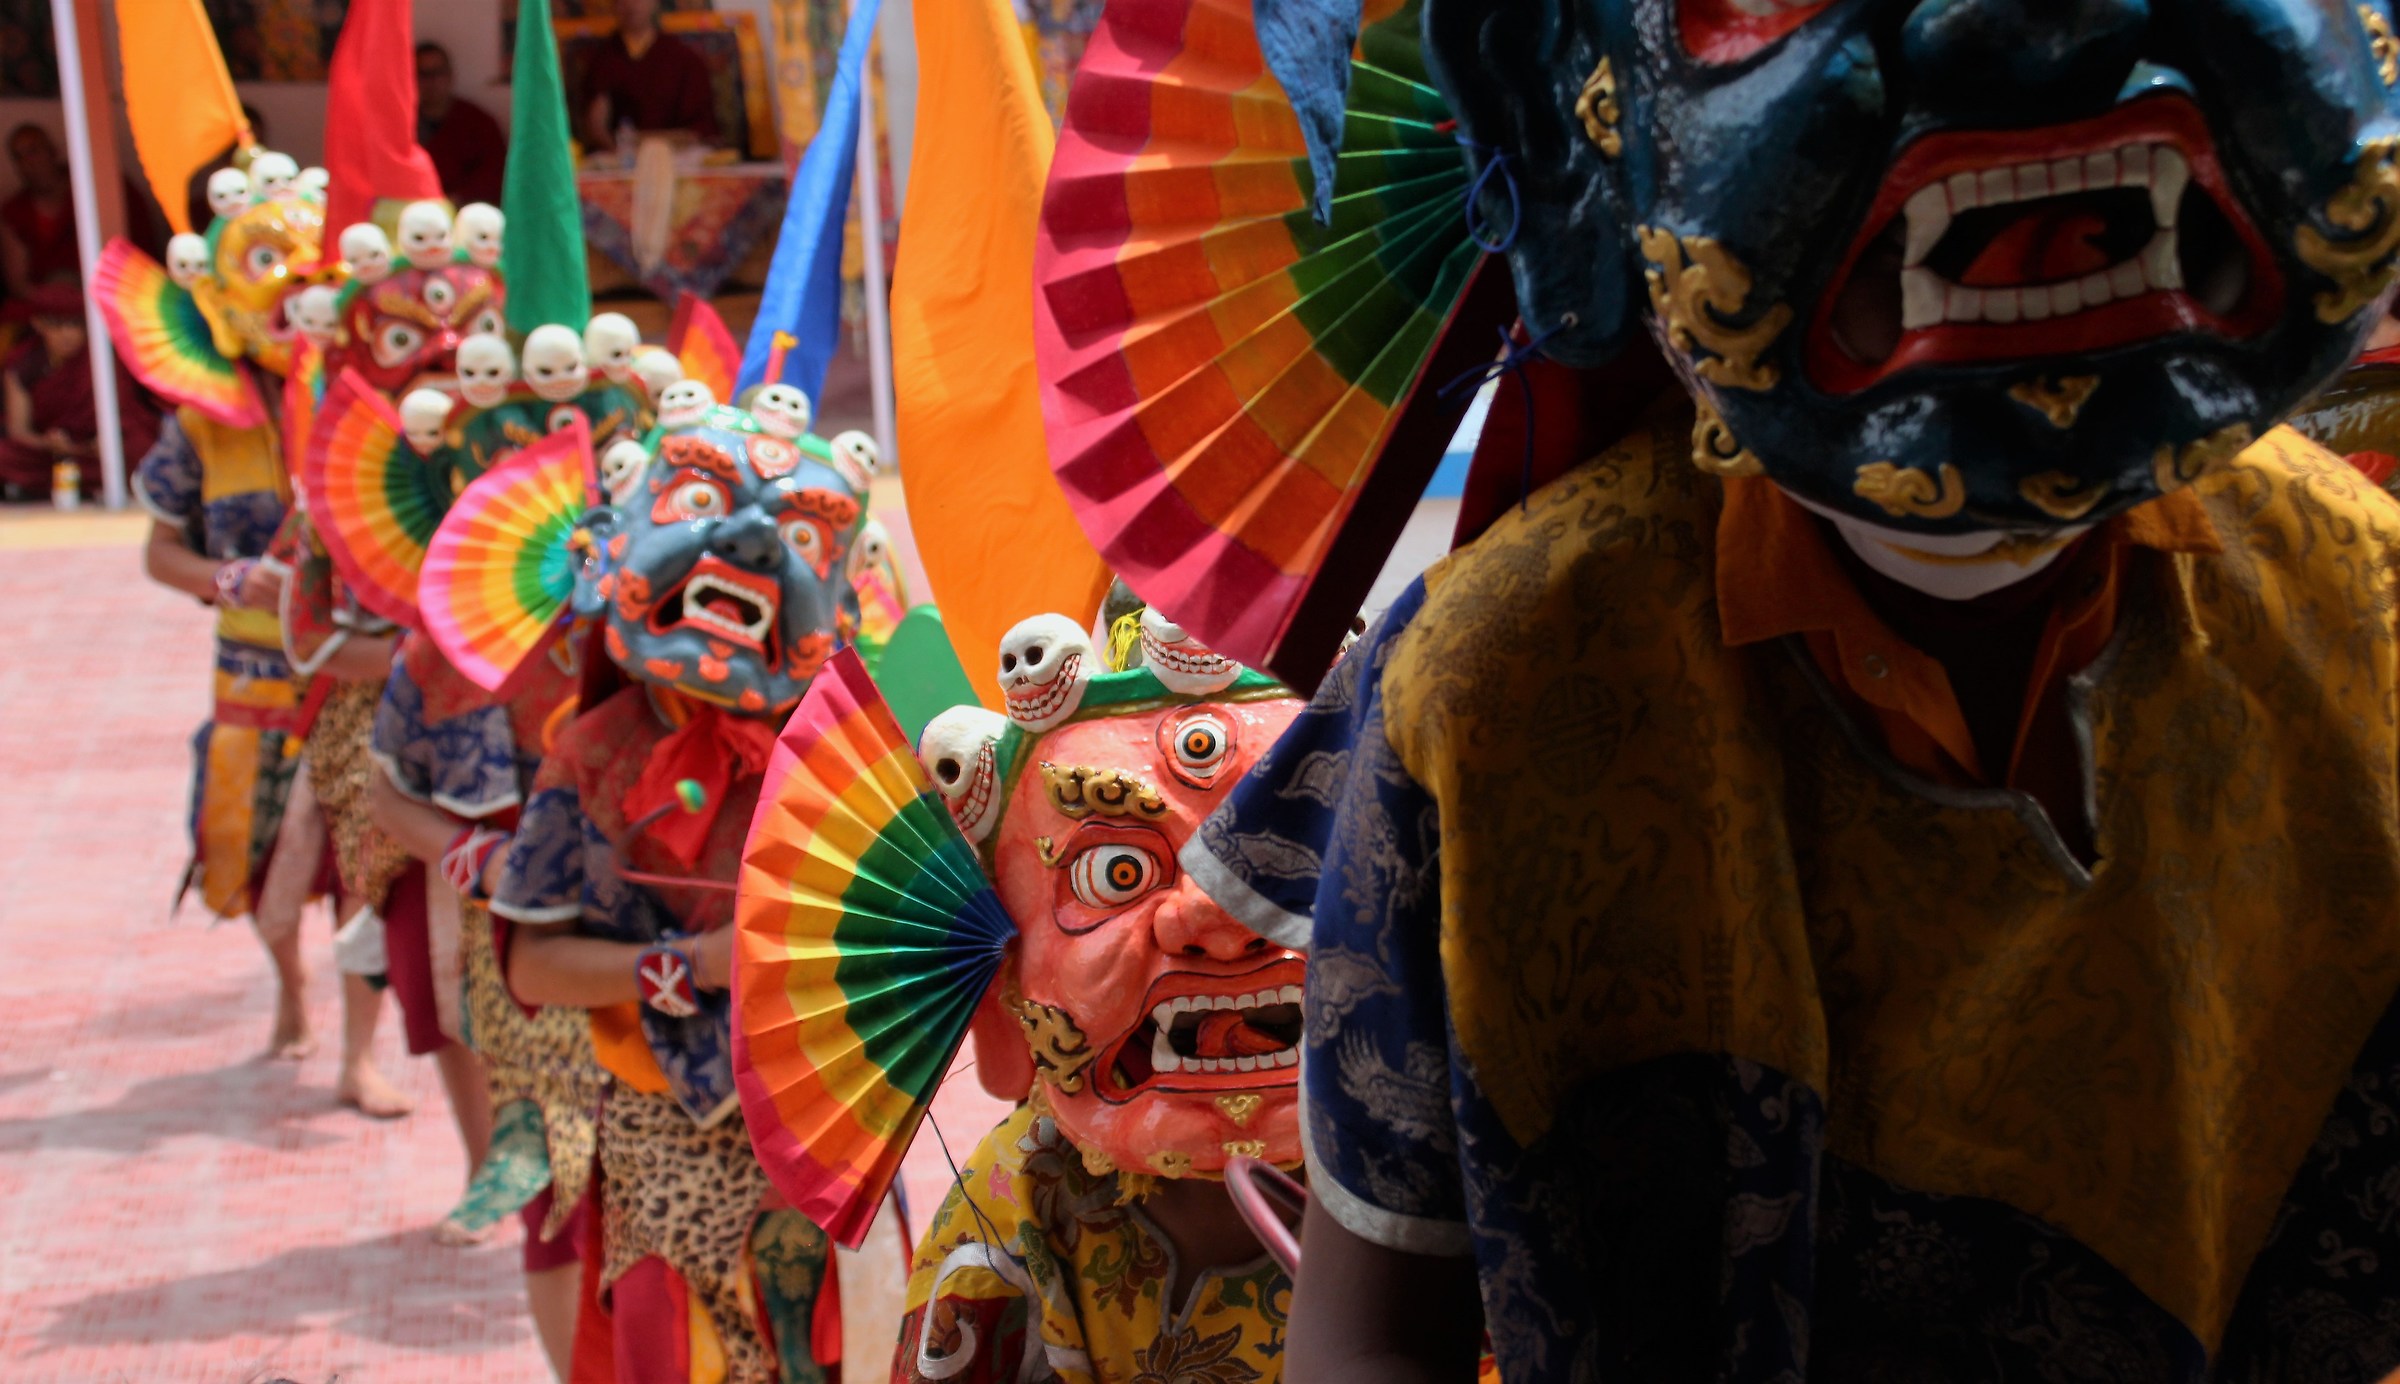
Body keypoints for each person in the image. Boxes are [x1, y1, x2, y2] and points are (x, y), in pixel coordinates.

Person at [1159, 0, 2400, 1380]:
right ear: (1566, 131)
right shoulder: (1494, 687)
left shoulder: (2369, 618)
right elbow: (1378, 1336)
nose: (2033, 29)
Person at [496, 398, 840, 1382]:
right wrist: (686, 965)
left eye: (800, 534)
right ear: (613, 547)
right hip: (665, 1124)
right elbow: (532, 963)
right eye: (700, 501)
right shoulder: (590, 754)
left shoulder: (844, 753)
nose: (749, 541)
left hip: (822, 1122)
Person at [0, 282, 157, 499]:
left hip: (98, 448)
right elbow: (19, 430)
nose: (67, 334)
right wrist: (48, 442)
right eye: (56, 325)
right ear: (38, 324)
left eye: (75, 325)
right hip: (50, 452)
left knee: (139, 445)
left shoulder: (101, 358)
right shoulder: (23, 365)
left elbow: (126, 414)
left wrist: (106, 438)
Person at [578, 0, 718, 155]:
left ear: (655, 3)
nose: (631, 5)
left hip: (678, 153)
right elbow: (596, 125)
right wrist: (618, 150)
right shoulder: (604, 58)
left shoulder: (683, 57)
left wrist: (652, 143)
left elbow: (698, 129)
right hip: (623, 155)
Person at [416, 42, 505, 208]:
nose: (432, 81)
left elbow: (496, 173)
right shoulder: (403, 126)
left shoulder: (478, 122)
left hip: (469, 213)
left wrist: (457, 199)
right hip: (417, 210)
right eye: (423, 74)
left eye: (438, 72)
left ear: (450, 75)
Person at [2, 125, 78, 297]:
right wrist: (51, 299)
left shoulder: (94, 193)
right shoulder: (13, 211)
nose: (28, 163)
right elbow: (19, 284)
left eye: (33, 151)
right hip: (40, 301)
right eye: (19, 157)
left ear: (53, 151)